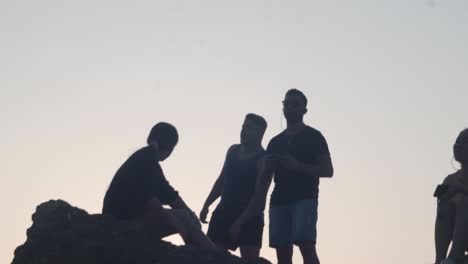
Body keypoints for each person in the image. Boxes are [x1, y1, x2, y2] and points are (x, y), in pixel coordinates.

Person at [230, 89, 334, 264]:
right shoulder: (275, 142)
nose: (289, 108)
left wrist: (298, 166)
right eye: (286, 104)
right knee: (282, 252)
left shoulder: (314, 137)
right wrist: (266, 168)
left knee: (306, 247)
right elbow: (265, 179)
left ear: (304, 110)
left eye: (295, 105)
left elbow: (328, 171)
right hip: (278, 200)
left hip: (304, 198)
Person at [102, 122, 215, 249]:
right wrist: (179, 224)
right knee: (183, 219)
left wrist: (190, 215)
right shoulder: (145, 161)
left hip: (125, 220)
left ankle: (210, 253)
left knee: (185, 217)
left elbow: (168, 193)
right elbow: (152, 203)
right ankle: (214, 255)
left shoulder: (146, 158)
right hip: (122, 224)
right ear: (170, 147)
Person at [199, 114, 267, 261]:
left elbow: (259, 197)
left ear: (260, 132)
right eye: (243, 127)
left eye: (248, 128)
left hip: (250, 217)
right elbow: (222, 180)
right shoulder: (233, 151)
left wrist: (240, 222)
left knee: (250, 261)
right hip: (224, 212)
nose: (243, 131)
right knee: (212, 258)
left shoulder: (263, 159)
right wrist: (207, 204)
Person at [435, 128, 468, 264]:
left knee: (464, 202)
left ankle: (455, 255)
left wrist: (461, 190)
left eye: (463, 141)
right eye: (457, 141)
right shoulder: (450, 180)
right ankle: (440, 259)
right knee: (445, 205)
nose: (457, 145)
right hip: (459, 227)